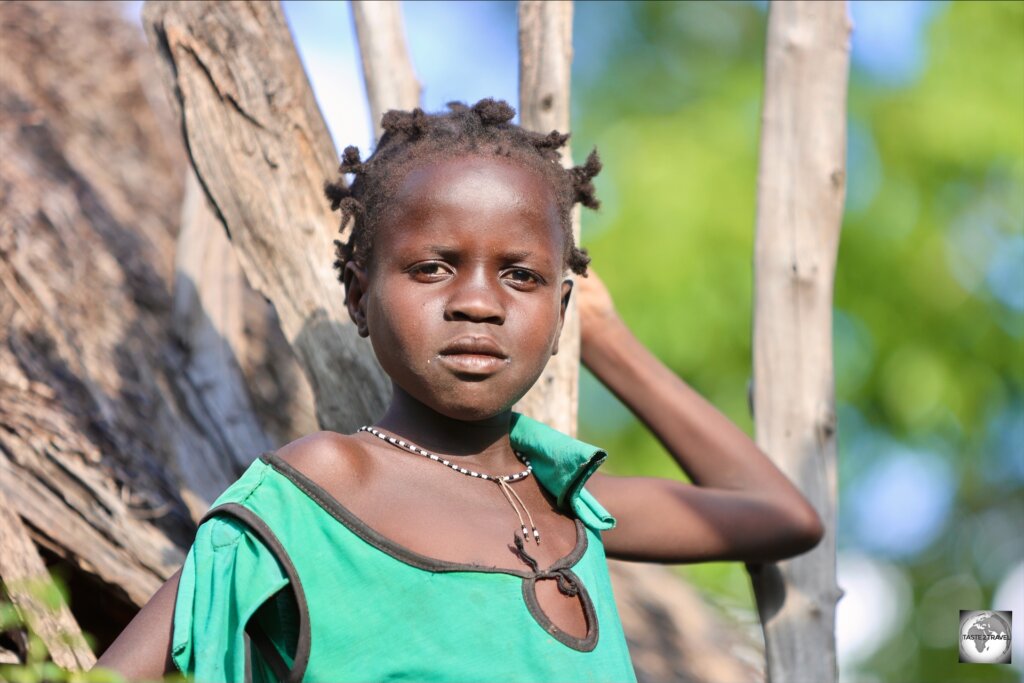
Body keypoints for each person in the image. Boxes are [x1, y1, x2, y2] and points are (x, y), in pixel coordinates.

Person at [95, 99, 823, 682]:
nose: (479, 302)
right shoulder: (309, 497)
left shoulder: (572, 505)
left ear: (561, 310)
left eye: (521, 276)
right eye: (434, 267)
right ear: (358, 295)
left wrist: (611, 342)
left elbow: (780, 514)